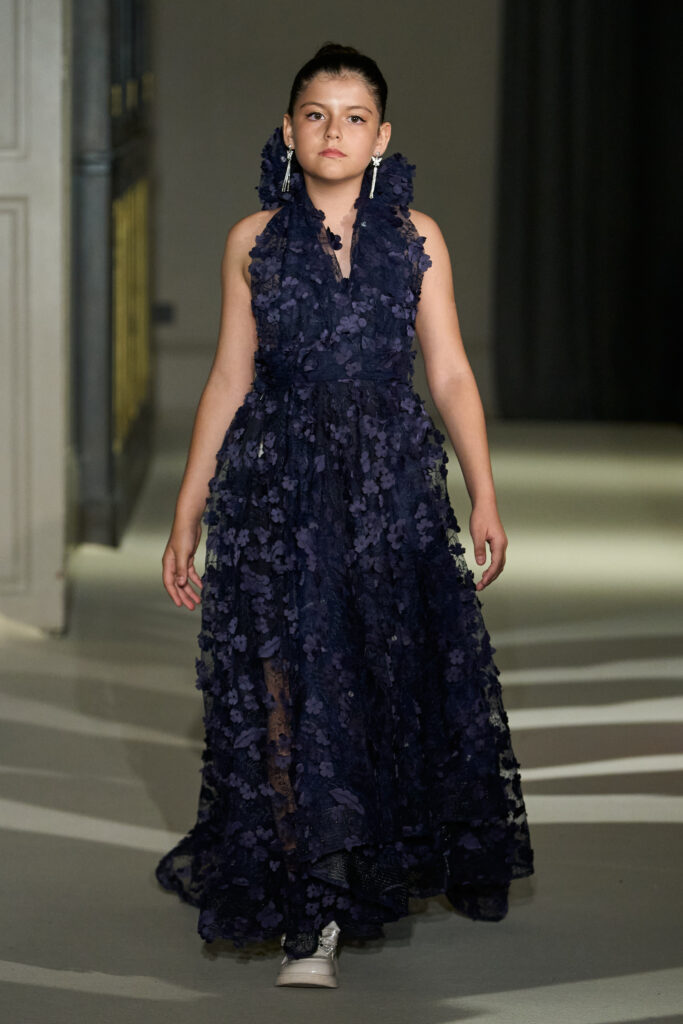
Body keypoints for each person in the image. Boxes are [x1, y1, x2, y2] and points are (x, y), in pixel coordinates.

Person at [156, 41, 535, 990]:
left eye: (353, 116)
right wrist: (187, 509)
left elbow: (449, 372)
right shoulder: (252, 240)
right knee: (288, 680)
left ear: (382, 136)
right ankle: (309, 908)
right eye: (316, 115)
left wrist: (484, 492)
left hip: (386, 490)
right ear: (288, 130)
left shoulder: (416, 237)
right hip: (276, 491)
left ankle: (363, 859)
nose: (334, 131)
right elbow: (228, 377)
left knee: (375, 673)